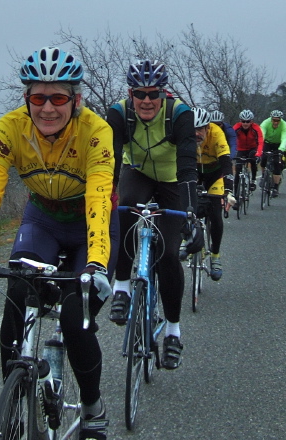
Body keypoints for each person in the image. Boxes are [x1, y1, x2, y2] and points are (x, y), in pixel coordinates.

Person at [0, 47, 117, 440]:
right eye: (38, 98)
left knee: (74, 317)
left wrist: (97, 263)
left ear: (76, 100)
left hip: (91, 224)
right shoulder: (10, 128)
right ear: (26, 99)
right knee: (17, 292)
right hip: (44, 220)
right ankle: (15, 409)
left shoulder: (97, 131)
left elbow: (100, 197)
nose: (47, 108)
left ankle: (92, 406)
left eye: (58, 98)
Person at [106, 59, 198, 370]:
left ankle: (172, 331)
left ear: (164, 93)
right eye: (140, 94)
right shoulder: (119, 113)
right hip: (139, 173)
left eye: (153, 94)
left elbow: (187, 163)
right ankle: (122, 286)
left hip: (173, 180)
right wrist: (103, 201)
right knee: (124, 209)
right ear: (130, 94)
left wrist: (190, 212)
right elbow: (111, 160)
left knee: (170, 255)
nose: (147, 101)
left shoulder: (180, 115)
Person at [188, 107, 236, 280]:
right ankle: (188, 240)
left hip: (215, 175)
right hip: (194, 172)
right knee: (185, 205)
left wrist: (229, 190)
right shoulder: (185, 135)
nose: (196, 133)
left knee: (215, 214)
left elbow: (226, 163)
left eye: (200, 129)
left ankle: (215, 256)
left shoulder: (217, 134)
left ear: (208, 128)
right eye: (192, 129)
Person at [232, 109, 264, 197]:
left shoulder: (256, 128)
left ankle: (253, 179)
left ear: (251, 122)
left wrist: (258, 154)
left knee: (253, 159)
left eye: (248, 121)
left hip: (252, 148)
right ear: (240, 121)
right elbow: (230, 140)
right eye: (243, 121)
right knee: (238, 170)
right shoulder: (236, 127)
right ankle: (236, 195)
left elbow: (260, 141)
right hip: (241, 149)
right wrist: (230, 153)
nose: (245, 123)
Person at [259, 109, 286, 197]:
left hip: (278, 145)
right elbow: (262, 134)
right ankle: (263, 175)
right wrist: (260, 148)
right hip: (267, 143)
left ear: (280, 120)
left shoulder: (284, 126)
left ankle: (275, 187)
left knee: (277, 163)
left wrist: (281, 149)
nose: (276, 122)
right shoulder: (265, 123)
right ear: (271, 119)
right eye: (274, 120)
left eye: (278, 120)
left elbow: (285, 138)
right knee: (263, 159)